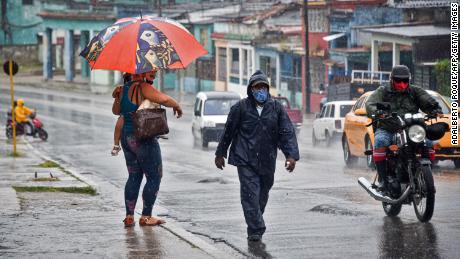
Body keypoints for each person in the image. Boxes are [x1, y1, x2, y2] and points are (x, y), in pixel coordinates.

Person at [215, 70, 299, 242]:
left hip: (267, 159)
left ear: (268, 89)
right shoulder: (240, 108)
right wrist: (220, 153)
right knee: (250, 195)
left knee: (262, 194)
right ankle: (256, 229)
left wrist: (291, 156)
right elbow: (228, 131)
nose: (260, 90)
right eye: (257, 87)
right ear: (251, 89)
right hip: (245, 158)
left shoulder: (276, 108)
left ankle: (254, 220)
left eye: (263, 87)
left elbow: (286, 132)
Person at [112, 70, 183, 227]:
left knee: (134, 176)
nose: (154, 75)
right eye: (151, 73)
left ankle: (129, 216)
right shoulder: (143, 86)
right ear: (141, 73)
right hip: (143, 138)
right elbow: (163, 99)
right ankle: (146, 216)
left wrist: (117, 96)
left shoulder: (122, 89)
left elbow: (116, 112)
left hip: (127, 138)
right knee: (154, 176)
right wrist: (177, 105)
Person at [365, 65, 442, 190]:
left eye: (405, 81)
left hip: (410, 128)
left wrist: (434, 109)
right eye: (398, 81)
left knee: (428, 143)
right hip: (388, 128)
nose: (402, 84)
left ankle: (426, 176)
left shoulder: (415, 91)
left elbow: (426, 100)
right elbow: (370, 104)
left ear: (409, 80)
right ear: (391, 79)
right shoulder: (383, 91)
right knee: (380, 141)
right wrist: (377, 112)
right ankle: (383, 180)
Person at [112, 73, 132, 156]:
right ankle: (116, 145)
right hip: (126, 115)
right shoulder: (122, 89)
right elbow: (113, 95)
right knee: (119, 123)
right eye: (129, 78)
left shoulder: (146, 88)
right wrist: (116, 93)